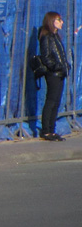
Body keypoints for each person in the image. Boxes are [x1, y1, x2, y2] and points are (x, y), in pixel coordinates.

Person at [37, 11, 69, 141]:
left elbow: (60, 55)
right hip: (53, 74)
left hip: (60, 73)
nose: (61, 22)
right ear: (52, 22)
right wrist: (57, 67)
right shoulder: (46, 37)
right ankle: (46, 131)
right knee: (51, 101)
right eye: (59, 20)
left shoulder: (56, 37)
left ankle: (52, 129)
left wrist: (66, 66)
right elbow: (46, 57)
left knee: (56, 102)